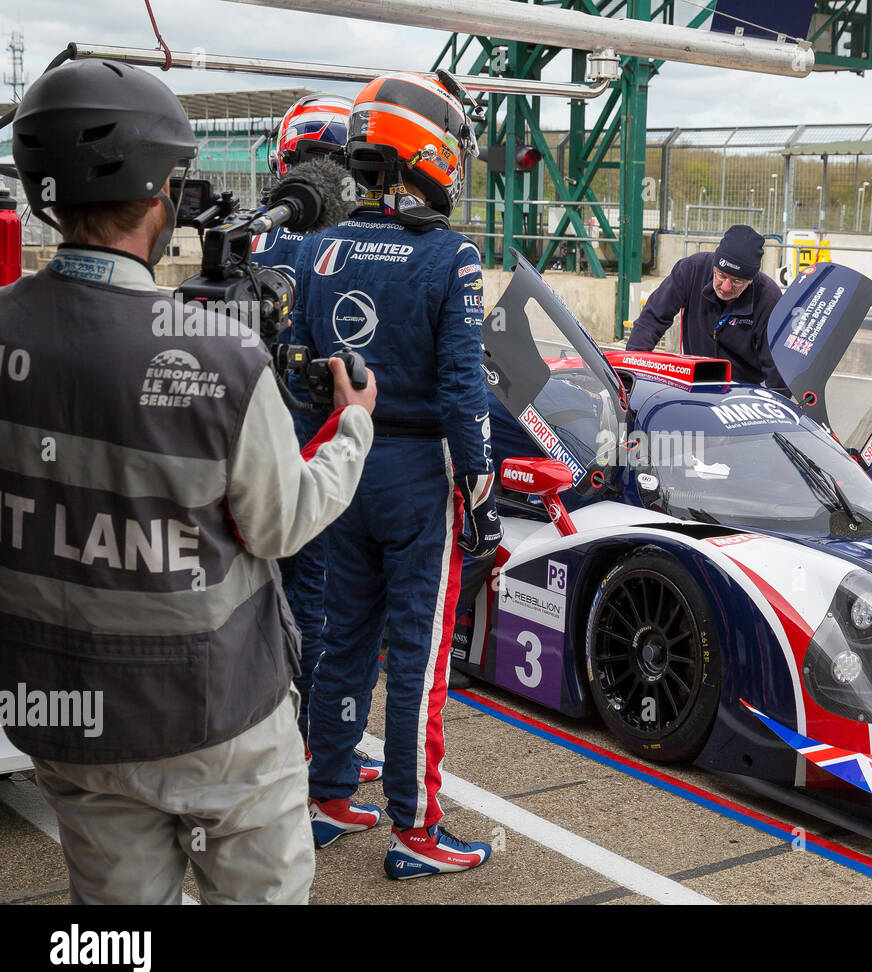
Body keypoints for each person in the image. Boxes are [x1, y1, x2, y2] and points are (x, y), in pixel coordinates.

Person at [0, 59, 376, 904]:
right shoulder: (222, 354)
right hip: (215, 721)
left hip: (64, 719)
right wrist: (353, 428)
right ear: (160, 192)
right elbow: (282, 523)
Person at [296, 70, 500, 879]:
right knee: (417, 656)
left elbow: (302, 368)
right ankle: (417, 830)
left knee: (341, 637)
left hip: (340, 462)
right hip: (419, 474)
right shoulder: (454, 257)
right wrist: (479, 488)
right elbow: (465, 391)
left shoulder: (321, 247)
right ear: (430, 152)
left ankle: (329, 790)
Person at [252, 92, 384, 782]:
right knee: (323, 600)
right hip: (317, 435)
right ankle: (314, 739)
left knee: (282, 593)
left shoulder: (256, 237)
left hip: (260, 438)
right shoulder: (338, 249)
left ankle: (309, 734)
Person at [627, 224, 787, 392]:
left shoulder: (769, 299)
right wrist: (631, 370)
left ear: (750, 281)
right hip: (693, 381)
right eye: (721, 275)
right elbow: (651, 319)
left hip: (744, 391)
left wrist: (777, 404)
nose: (725, 287)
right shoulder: (691, 270)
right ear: (714, 266)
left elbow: (777, 367)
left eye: (737, 282)